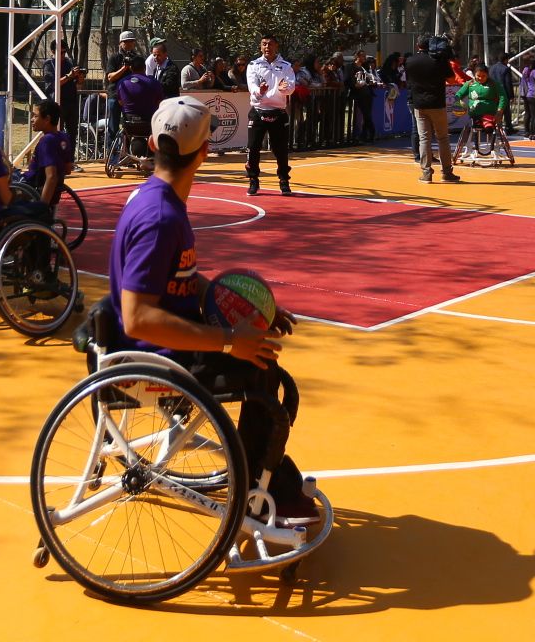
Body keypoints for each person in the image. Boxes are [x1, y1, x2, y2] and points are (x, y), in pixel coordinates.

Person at [103, 95, 316, 522]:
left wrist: (250, 307)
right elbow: (139, 316)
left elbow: (179, 279)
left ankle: (262, 472)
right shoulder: (160, 217)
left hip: (162, 342)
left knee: (262, 355)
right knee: (261, 369)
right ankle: (256, 491)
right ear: (205, 151)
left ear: (150, 144)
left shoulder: (154, 198)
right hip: (154, 357)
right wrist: (229, 341)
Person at [245, 33, 296, 197]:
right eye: (264, 44)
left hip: (278, 112)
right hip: (258, 111)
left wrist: (285, 89)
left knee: (280, 150)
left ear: (276, 46)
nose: (267, 47)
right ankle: (253, 180)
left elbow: (291, 86)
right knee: (253, 148)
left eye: (270, 44)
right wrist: (259, 91)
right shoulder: (253, 65)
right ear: (260, 47)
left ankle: (284, 181)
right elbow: (251, 86)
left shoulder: (286, 66)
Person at [407, 36, 458, 183]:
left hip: (419, 104)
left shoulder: (410, 60)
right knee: (443, 138)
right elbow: (452, 80)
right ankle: (447, 173)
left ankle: (426, 173)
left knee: (424, 139)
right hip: (437, 103)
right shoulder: (439, 60)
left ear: (418, 45)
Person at [19, 98, 74, 210]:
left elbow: (51, 177)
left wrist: (42, 207)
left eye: (35, 116)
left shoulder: (47, 141)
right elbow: (68, 169)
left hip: (31, 188)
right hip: (53, 194)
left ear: (47, 119)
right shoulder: (64, 137)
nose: (32, 119)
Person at [104, 30, 140, 149]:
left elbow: (140, 75)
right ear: (120, 43)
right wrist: (124, 68)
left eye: (131, 41)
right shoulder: (114, 57)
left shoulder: (137, 58)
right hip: (115, 95)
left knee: (130, 126)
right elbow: (110, 77)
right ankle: (112, 157)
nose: (129, 44)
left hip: (130, 97)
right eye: (126, 42)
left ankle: (127, 156)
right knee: (113, 127)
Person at [41, 39, 85, 133]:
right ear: (53, 51)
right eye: (61, 52)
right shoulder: (49, 64)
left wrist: (80, 76)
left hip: (71, 102)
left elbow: (79, 83)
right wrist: (69, 76)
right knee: (56, 131)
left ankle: (71, 148)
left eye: (65, 52)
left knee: (72, 132)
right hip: (57, 103)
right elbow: (53, 84)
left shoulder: (69, 63)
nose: (63, 55)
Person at [350, 50, 380, 143]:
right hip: (358, 94)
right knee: (366, 114)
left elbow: (368, 79)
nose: (364, 58)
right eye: (363, 56)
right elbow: (350, 80)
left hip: (367, 94)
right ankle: (371, 132)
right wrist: (355, 84)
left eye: (365, 56)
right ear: (357, 56)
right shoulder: (351, 67)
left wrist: (371, 82)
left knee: (367, 114)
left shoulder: (363, 68)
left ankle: (365, 135)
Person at [486, 53, 515, 134]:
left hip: (493, 93)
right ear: (505, 59)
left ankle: (494, 126)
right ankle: (508, 128)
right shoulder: (505, 69)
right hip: (503, 93)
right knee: (506, 112)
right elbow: (508, 83)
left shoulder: (491, 68)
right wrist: (511, 95)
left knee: (495, 111)